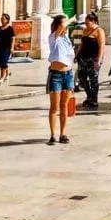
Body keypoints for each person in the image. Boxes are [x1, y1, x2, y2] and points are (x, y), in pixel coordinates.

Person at [46, 14, 75, 145]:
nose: (66, 26)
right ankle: (52, 135)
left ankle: (63, 133)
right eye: (63, 24)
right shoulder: (54, 37)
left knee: (64, 106)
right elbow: (63, 26)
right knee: (54, 106)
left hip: (68, 74)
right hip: (56, 74)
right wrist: (71, 19)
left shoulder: (67, 39)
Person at [76, 11, 105, 110]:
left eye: (88, 23)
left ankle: (94, 100)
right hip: (83, 58)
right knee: (81, 77)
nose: (86, 25)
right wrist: (76, 55)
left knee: (93, 79)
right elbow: (81, 44)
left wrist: (98, 61)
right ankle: (89, 95)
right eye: (85, 23)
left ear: (94, 22)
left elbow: (102, 47)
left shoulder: (99, 31)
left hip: (94, 58)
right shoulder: (85, 31)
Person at [0, 13, 15, 84]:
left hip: (6, 48)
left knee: (3, 62)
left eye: (3, 19)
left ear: (7, 20)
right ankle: (7, 73)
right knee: (1, 62)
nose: (2, 20)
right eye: (1, 18)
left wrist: (12, 47)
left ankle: (2, 77)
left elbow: (13, 38)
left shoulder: (10, 28)